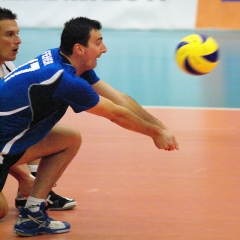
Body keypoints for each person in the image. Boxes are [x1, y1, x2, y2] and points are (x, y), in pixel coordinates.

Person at [0, 15, 179, 236]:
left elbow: (118, 98)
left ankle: (33, 214)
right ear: (79, 49)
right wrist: (154, 133)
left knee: (69, 137)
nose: (104, 49)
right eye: (98, 42)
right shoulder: (63, 78)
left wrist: (159, 127)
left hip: (9, 144)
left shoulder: (65, 60)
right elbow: (116, 114)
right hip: (4, 147)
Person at [0, 7, 76, 219]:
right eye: (9, 35)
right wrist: (24, 177)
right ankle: (28, 184)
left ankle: (30, 197)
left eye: (17, 33)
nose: (18, 40)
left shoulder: (7, 67)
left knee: (65, 136)